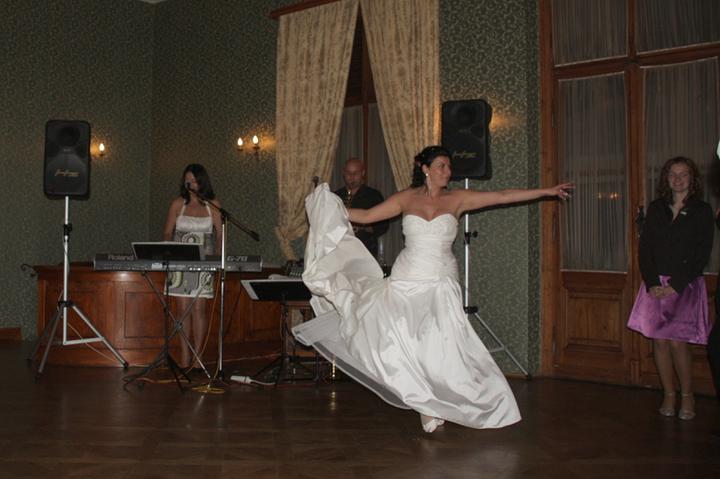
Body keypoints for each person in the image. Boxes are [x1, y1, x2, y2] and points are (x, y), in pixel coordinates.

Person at [294, 145, 572, 433]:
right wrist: (328, 209)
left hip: (441, 282)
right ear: (425, 169)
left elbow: (502, 196)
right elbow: (365, 216)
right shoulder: (406, 198)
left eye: (449, 167)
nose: (447, 172)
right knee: (401, 342)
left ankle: (457, 400)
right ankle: (425, 404)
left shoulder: (458, 198)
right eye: (442, 166)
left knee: (441, 348)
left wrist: (546, 191)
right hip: (406, 280)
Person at [627, 156, 714, 421]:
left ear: (692, 178)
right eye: (672, 174)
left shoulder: (702, 210)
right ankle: (669, 394)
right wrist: (653, 282)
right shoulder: (656, 208)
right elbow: (645, 249)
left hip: (684, 286)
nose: (677, 179)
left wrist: (675, 285)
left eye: (683, 174)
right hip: (656, 285)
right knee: (660, 342)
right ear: (666, 178)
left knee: (677, 343)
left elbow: (702, 254)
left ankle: (687, 396)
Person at [162, 164, 222, 369]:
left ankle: (198, 356)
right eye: (187, 180)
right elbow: (167, 232)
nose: (190, 184)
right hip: (180, 261)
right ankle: (184, 355)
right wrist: (168, 250)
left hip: (204, 262)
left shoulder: (213, 205)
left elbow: (220, 235)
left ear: (202, 182)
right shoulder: (177, 204)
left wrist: (218, 257)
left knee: (199, 308)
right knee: (182, 309)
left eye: (194, 180)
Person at [334, 158, 388, 258]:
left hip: (365, 250)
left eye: (355, 173)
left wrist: (362, 227)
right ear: (343, 173)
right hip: (339, 251)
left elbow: (383, 226)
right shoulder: (335, 197)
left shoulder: (373, 195)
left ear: (363, 173)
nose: (351, 177)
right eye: (348, 173)